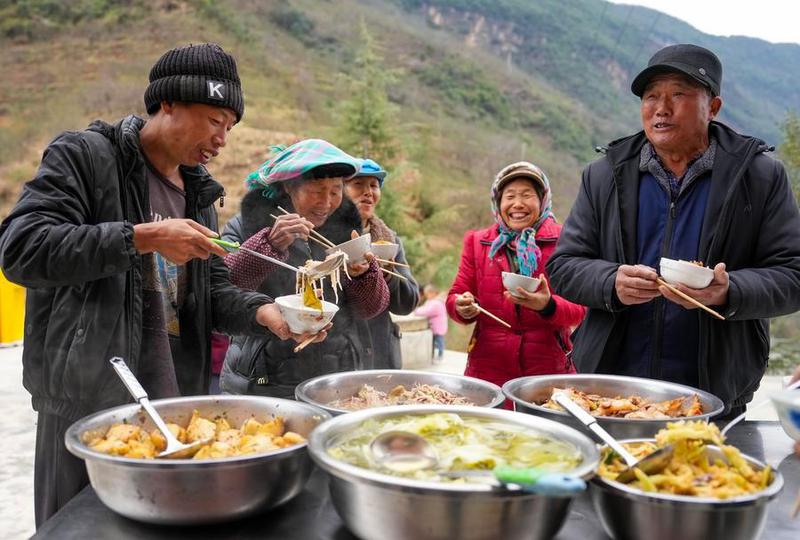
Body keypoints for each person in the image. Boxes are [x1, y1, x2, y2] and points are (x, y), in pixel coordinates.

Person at [0, 43, 315, 526]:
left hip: (173, 403)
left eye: (230, 128)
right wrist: (141, 237)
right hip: (87, 404)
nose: (222, 140)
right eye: (215, 121)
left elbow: (211, 291)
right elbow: (22, 248)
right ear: (168, 102)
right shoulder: (86, 157)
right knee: (79, 529)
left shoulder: (199, 194)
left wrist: (263, 313)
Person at [546, 44, 800, 417]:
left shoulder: (759, 177)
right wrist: (612, 282)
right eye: (651, 96)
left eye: (678, 94)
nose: (661, 108)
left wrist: (729, 290)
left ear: (713, 107)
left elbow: (793, 274)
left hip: (714, 392)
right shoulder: (605, 174)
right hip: (611, 391)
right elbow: (563, 265)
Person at [220, 140, 390, 397]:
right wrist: (270, 244)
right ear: (289, 187)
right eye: (317, 191)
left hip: (336, 376)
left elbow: (370, 309)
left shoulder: (346, 233)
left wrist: (363, 274)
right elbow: (223, 291)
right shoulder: (246, 225)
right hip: (262, 376)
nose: (327, 202)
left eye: (335, 191)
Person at [446, 161, 586, 391]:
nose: (517, 204)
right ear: (498, 202)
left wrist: (548, 306)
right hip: (487, 367)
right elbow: (456, 295)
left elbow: (581, 310)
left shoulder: (565, 240)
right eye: (509, 196)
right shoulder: (478, 242)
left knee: (544, 416)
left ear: (543, 200)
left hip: (547, 369)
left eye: (527, 195)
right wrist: (461, 306)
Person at [344, 158, 419, 369]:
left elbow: (408, 303)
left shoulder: (389, 240)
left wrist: (387, 275)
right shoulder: (327, 237)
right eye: (358, 184)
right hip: (342, 355)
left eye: (374, 185)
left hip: (381, 354)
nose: (368, 192)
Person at [414, 284, 448, 362]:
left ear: (433, 293)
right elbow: (425, 308)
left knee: (439, 342)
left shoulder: (436, 303)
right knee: (434, 341)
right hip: (435, 327)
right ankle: (433, 354)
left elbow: (427, 311)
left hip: (438, 327)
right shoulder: (433, 302)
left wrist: (416, 311)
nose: (426, 297)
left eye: (427, 295)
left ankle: (440, 355)